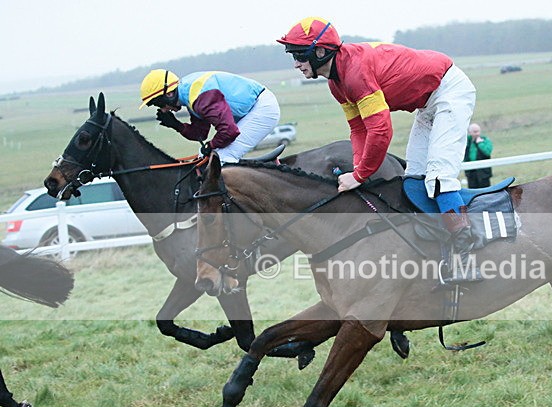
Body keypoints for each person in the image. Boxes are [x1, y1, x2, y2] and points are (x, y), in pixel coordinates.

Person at [277, 17, 479, 282]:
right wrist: (359, 170)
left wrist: (359, 176)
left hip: (449, 91)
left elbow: (381, 131)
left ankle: (467, 255)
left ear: (320, 51)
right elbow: (359, 130)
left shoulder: (355, 73)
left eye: (299, 56)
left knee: (439, 176)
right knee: (414, 179)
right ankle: (435, 246)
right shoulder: (336, 83)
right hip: (427, 102)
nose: (295, 64)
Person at [139, 69, 280, 164]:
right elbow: (200, 134)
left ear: (169, 94)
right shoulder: (189, 95)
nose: (163, 109)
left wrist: (211, 145)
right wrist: (177, 125)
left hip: (262, 108)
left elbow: (229, 131)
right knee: (204, 155)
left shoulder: (199, 95)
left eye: (159, 103)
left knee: (222, 158)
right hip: (249, 110)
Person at [463, 123, 493, 188]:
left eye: (478, 131)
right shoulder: (466, 141)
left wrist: (480, 144)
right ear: (469, 132)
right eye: (475, 132)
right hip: (471, 172)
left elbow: (488, 152)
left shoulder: (485, 140)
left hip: (483, 172)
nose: (477, 134)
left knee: (486, 191)